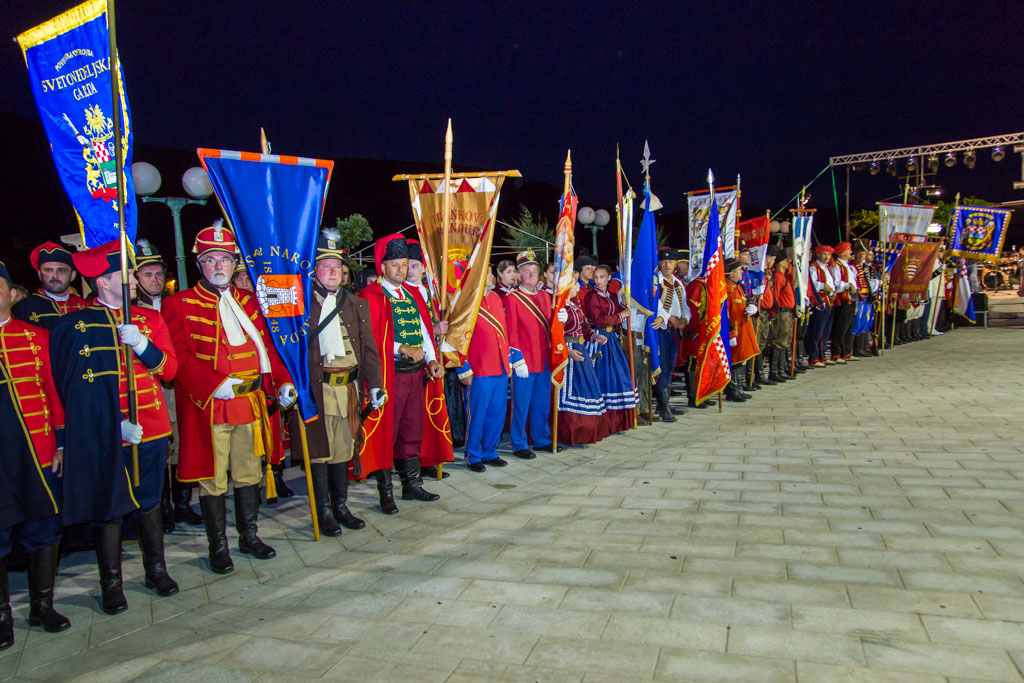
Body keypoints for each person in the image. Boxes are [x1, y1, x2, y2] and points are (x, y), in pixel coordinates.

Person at [50, 242, 179, 614]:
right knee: (108, 506)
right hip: (104, 433)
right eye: (124, 275)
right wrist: (113, 424)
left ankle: (156, 570)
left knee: (149, 502)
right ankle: (111, 584)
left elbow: (169, 370)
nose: (134, 281)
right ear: (103, 282)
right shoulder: (75, 325)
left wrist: (141, 343)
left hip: (151, 430)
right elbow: (73, 391)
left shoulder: (149, 320)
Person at [162, 224, 296, 574]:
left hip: (250, 403)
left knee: (249, 471)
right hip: (210, 406)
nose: (219, 266)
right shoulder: (178, 304)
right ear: (200, 265)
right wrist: (213, 384)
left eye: (225, 259)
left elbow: (267, 349)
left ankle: (248, 535)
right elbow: (178, 356)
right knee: (213, 476)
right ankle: (218, 546)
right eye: (211, 260)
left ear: (235, 263)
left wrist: (283, 381)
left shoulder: (249, 301)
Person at [295, 229, 384, 536]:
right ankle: (323, 511)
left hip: (349, 389)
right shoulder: (300, 304)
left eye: (337, 266)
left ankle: (341, 506)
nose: (333, 272)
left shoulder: (356, 304)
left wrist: (375, 384)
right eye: (325, 266)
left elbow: (369, 349)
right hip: (318, 390)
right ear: (314, 270)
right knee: (321, 450)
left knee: (343, 449)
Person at [0, 260, 70, 647]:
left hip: (40, 450)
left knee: (44, 529)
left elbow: (53, 392)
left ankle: (42, 605)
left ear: (12, 294)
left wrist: (60, 442)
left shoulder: (36, 336)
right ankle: (2, 615)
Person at [357, 235, 443, 513]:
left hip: (415, 375)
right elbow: (369, 340)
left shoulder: (413, 294)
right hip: (389, 376)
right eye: (395, 264)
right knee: (387, 434)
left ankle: (411, 485)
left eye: (404, 264)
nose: (401, 270)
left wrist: (432, 359)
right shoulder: (370, 297)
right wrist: (401, 347)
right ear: (382, 267)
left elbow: (424, 331)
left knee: (412, 430)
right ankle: (385, 492)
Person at [133, 240, 202, 532]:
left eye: (159, 273)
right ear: (135, 278)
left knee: (182, 445)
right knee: (159, 449)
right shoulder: (130, 311)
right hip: (150, 389)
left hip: (180, 387)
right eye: (147, 274)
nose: (155, 279)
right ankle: (162, 507)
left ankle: (182, 503)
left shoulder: (178, 304)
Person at [404, 240, 456, 477]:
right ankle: (412, 464)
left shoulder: (429, 293)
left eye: (415, 266)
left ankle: (428, 459)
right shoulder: (402, 293)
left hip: (431, 361)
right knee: (413, 418)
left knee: (429, 413)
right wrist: (434, 329)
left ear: (424, 269)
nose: (410, 271)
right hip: (412, 363)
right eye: (407, 265)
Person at [457, 288, 525, 471]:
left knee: (497, 413)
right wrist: (463, 367)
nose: (487, 275)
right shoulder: (465, 296)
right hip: (478, 367)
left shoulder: (495, 297)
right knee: (477, 415)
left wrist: (508, 361)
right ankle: (473, 454)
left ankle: (490, 451)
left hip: (500, 366)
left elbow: (503, 332)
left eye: (488, 273)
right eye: (484, 273)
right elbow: (457, 336)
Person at [503, 250, 553, 458]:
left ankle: (541, 438)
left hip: (544, 359)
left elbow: (550, 328)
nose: (531, 275)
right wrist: (516, 359)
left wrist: (562, 317)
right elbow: (511, 332)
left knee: (542, 403)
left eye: (534, 270)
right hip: (525, 360)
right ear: (519, 275)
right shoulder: (512, 299)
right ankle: (519, 443)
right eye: (526, 271)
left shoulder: (545, 296)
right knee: (521, 405)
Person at [555, 278, 608, 445]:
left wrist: (594, 336)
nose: (577, 287)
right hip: (568, 351)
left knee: (586, 388)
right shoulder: (559, 307)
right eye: (574, 285)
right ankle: (570, 431)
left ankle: (586, 431)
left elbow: (583, 330)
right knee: (569, 391)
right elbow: (554, 334)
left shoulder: (574, 305)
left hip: (580, 348)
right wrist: (567, 351)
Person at [584, 265, 636, 434]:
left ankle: (618, 420)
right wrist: (620, 316)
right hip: (599, 339)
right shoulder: (591, 296)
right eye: (595, 277)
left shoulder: (613, 296)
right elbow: (598, 319)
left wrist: (625, 307)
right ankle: (602, 420)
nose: (598, 280)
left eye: (601, 277)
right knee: (603, 376)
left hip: (612, 339)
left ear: (608, 278)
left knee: (618, 376)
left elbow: (622, 312)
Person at [13, 242, 89, 329]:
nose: (55, 276)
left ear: (72, 275)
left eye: (61, 270)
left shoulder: (87, 307)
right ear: (39, 274)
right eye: (48, 270)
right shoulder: (25, 308)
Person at [653, 247, 688, 422]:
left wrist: (685, 319)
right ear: (659, 263)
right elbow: (656, 305)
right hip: (661, 329)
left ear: (675, 264)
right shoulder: (655, 282)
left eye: (671, 262)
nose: (667, 265)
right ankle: (663, 406)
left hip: (674, 330)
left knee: (670, 366)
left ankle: (664, 404)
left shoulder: (678, 283)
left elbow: (685, 305)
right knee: (662, 365)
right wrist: (670, 318)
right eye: (664, 262)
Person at [724, 257, 759, 401]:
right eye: (738, 270)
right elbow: (725, 313)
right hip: (735, 330)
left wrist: (752, 308)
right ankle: (732, 390)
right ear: (731, 273)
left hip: (743, 328)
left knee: (741, 359)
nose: (741, 272)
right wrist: (730, 332)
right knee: (734, 360)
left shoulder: (738, 286)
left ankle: (739, 387)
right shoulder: (726, 289)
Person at [806, 245, 837, 367]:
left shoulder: (827, 268)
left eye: (829, 254)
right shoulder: (814, 267)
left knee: (825, 330)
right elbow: (812, 283)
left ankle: (822, 354)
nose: (827, 257)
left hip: (829, 302)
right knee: (817, 330)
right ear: (818, 254)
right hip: (819, 302)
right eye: (824, 254)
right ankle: (814, 356)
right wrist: (823, 286)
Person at [768, 252, 796, 382]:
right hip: (781, 312)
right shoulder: (778, 277)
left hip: (788, 312)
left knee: (786, 340)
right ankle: (775, 371)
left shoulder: (783, 276)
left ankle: (782, 368)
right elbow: (776, 296)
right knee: (779, 341)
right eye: (785, 260)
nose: (787, 263)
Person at [828, 241, 857, 363]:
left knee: (848, 326)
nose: (851, 252)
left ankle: (846, 352)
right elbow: (836, 283)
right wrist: (848, 285)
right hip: (842, 299)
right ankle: (836, 353)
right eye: (848, 250)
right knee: (841, 326)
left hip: (850, 298)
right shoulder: (837, 266)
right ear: (843, 252)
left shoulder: (847, 265)